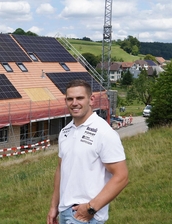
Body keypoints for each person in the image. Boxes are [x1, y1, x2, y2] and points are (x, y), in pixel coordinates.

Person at [47, 79, 128, 224]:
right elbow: (61, 169)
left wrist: (91, 208)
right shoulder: (65, 132)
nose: (74, 103)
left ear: (91, 100)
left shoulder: (104, 132)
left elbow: (121, 177)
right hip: (65, 212)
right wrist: (54, 207)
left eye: (80, 98)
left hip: (86, 216)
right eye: (70, 99)